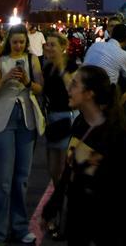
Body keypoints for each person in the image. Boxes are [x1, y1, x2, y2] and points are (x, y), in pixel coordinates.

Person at [42, 65, 126, 245]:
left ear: (89, 94)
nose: (68, 89)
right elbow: (70, 170)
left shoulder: (115, 135)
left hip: (109, 225)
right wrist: (52, 207)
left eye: (74, 85)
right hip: (78, 219)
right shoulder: (81, 124)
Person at [0, 24, 44, 246]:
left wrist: (27, 82)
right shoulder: (0, 62)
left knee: (21, 179)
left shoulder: (32, 60)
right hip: (4, 119)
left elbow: (41, 88)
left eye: (22, 42)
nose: (18, 45)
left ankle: (19, 227)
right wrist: (5, 78)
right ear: (9, 42)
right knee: (2, 181)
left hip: (26, 120)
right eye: (15, 42)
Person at [43, 32, 79, 187]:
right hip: (51, 117)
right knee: (52, 166)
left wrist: (62, 68)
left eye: (53, 45)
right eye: (47, 45)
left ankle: (66, 198)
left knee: (64, 164)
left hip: (67, 117)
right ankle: (58, 195)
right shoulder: (47, 67)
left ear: (63, 47)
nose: (49, 48)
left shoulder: (71, 65)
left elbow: (72, 88)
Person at [83, 22, 126, 102]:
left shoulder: (95, 45)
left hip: (84, 93)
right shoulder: (124, 54)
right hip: (105, 98)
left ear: (111, 34)